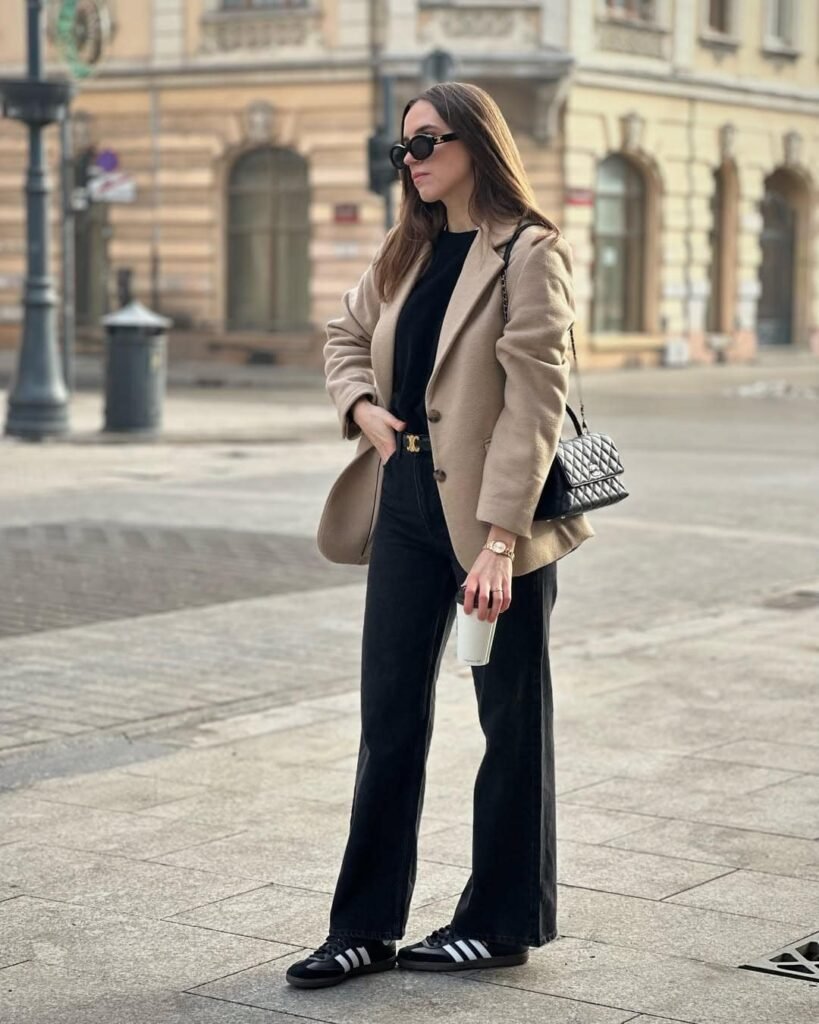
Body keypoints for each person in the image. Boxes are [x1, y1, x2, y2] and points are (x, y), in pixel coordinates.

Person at [286, 81, 594, 990]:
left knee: (509, 721)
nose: (410, 159)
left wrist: (499, 541)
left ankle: (499, 922)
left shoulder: (529, 252)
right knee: (388, 718)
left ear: (475, 144)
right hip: (405, 505)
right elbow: (343, 337)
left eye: (426, 142)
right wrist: (363, 411)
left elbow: (534, 406)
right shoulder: (404, 252)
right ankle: (361, 928)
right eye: (402, 147)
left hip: (496, 517)